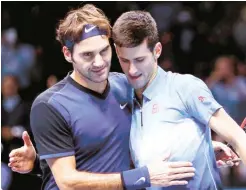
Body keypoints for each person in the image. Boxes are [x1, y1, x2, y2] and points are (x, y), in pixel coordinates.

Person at [8, 4, 198, 190]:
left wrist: (199, 147)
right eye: (88, 55)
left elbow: (154, 132)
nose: (99, 62)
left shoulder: (126, 85)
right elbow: (68, 182)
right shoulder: (49, 105)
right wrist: (142, 176)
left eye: (104, 51)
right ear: (68, 54)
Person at [111, 10, 246, 189]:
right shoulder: (122, 98)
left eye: (140, 59)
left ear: (157, 50)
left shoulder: (185, 87)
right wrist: (197, 149)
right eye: (124, 60)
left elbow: (238, 136)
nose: (132, 70)